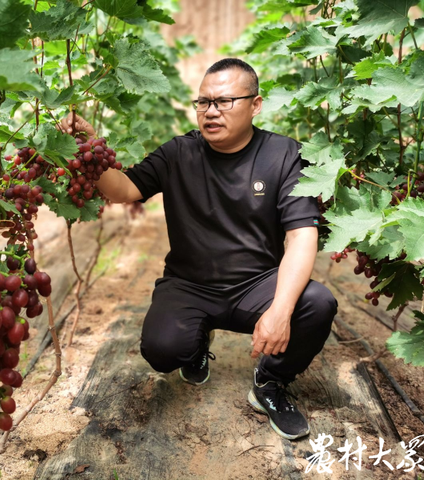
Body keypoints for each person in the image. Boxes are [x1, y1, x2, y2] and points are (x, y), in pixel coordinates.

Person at [60, 58, 338, 440]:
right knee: (161, 350)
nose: (211, 111)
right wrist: (88, 145)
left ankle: (270, 382)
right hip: (190, 284)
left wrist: (280, 310)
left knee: (317, 304)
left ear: (255, 105)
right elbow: (123, 190)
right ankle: (194, 346)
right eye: (203, 102)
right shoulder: (179, 153)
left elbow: (301, 235)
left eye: (224, 102)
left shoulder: (284, 155)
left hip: (257, 285)